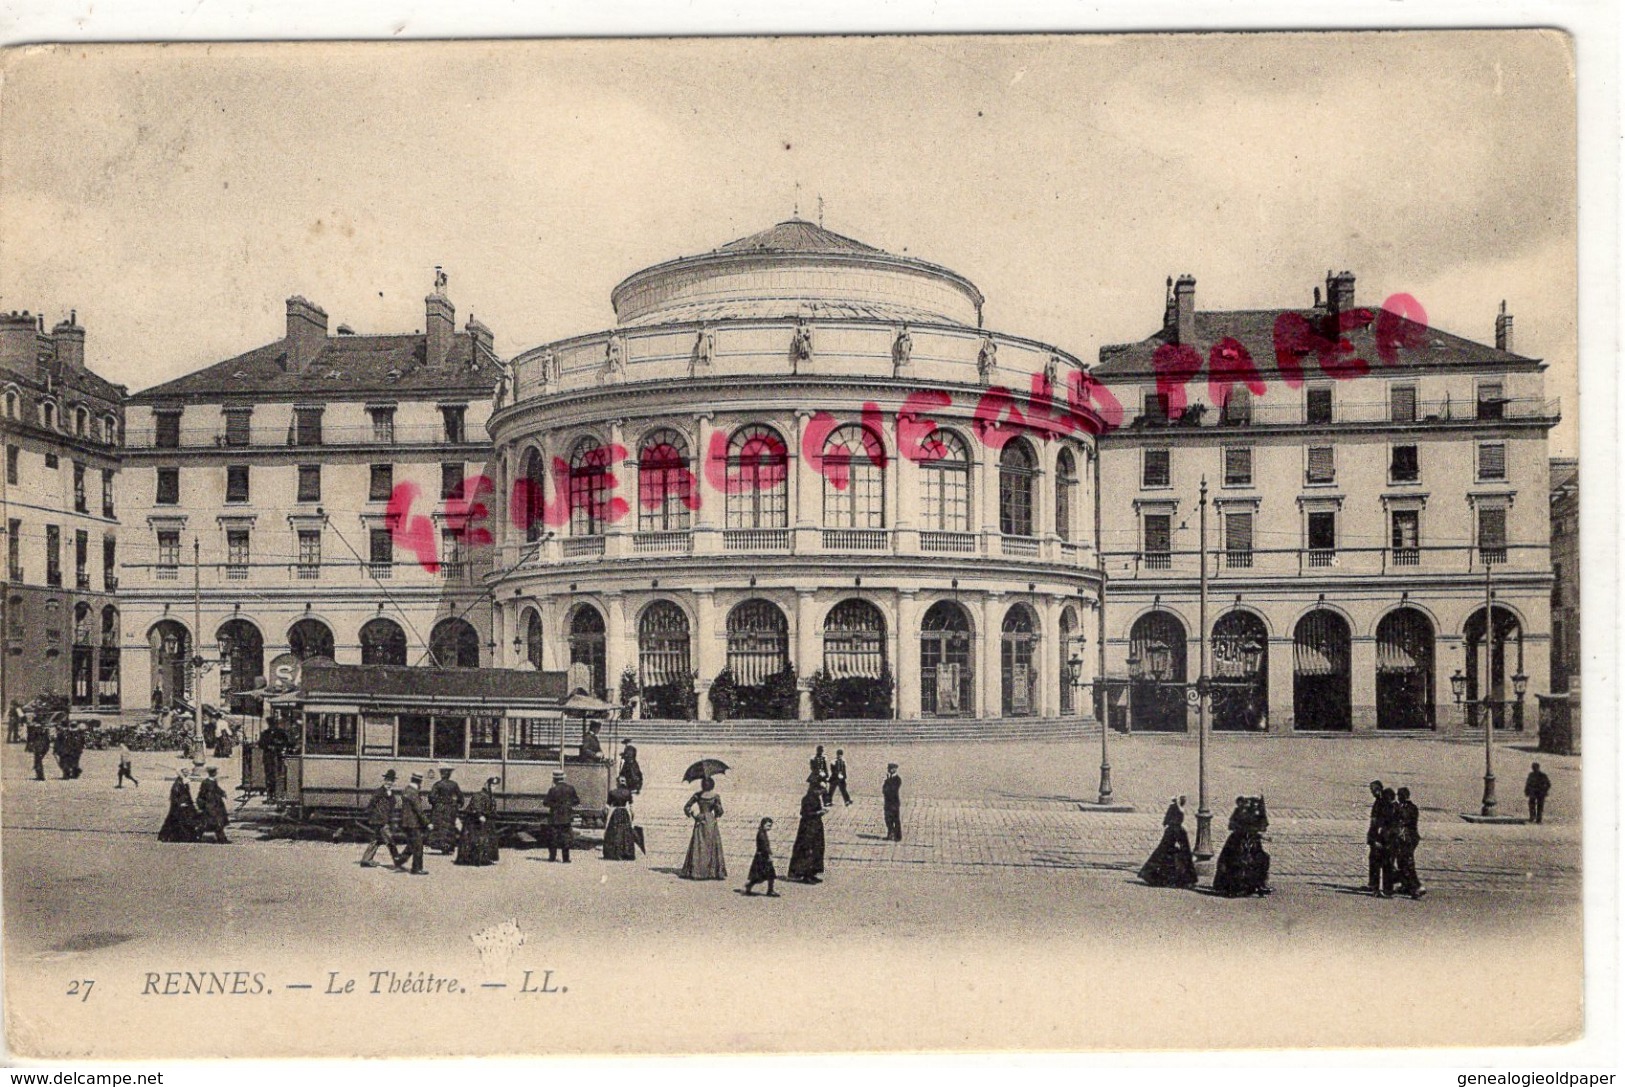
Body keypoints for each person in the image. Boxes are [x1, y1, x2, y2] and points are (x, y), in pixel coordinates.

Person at [1213, 796, 1271, 897]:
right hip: (1237, 841)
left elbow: (1262, 827)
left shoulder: (1254, 814)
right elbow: (1231, 825)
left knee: (1261, 859)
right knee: (1236, 861)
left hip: (1252, 841)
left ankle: (1259, 884)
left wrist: (1258, 827)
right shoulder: (1238, 812)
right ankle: (1234, 887)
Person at [1139, 796, 1198, 888]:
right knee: (1167, 853)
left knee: (1181, 855)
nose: (1184, 801)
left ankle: (1181, 879)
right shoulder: (1174, 807)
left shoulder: (1180, 808)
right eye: (1182, 799)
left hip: (1178, 832)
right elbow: (1167, 820)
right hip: (1173, 833)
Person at [679, 776, 726, 880]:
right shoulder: (715, 796)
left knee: (699, 846)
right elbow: (720, 812)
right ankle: (713, 872)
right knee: (712, 846)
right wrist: (716, 811)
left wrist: (693, 815)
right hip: (710, 821)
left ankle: (697, 872)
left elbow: (687, 807)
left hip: (700, 820)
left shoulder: (697, 795)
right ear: (712, 785)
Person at [360, 770, 405, 869]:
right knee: (390, 841)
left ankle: (366, 860)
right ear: (384, 780)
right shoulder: (379, 792)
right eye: (388, 780)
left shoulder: (390, 793)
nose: (389, 783)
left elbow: (391, 806)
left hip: (384, 820)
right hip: (379, 821)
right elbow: (371, 804)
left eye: (391, 781)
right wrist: (372, 816)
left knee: (376, 840)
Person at [788, 777, 829, 884]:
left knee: (817, 848)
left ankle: (812, 873)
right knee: (807, 850)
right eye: (820, 790)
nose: (821, 793)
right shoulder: (807, 799)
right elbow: (804, 813)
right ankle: (805, 874)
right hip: (808, 828)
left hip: (816, 826)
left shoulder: (815, 797)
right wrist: (818, 813)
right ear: (815, 789)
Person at [456, 777, 501, 866]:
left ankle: (486, 858)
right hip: (474, 821)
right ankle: (472, 859)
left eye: (495, 786)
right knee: (475, 839)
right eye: (492, 785)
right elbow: (476, 807)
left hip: (485, 820)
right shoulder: (479, 795)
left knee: (488, 838)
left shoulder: (491, 797)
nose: (494, 788)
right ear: (487, 785)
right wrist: (480, 815)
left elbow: (492, 809)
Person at [1392, 786, 1425, 899]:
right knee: (1402, 862)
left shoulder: (1408, 808)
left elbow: (1404, 820)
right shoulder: (1410, 807)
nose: (1398, 797)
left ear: (1403, 796)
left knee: (1407, 863)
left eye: (1399, 795)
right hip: (1408, 838)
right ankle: (1405, 885)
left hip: (1408, 839)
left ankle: (1415, 887)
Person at [543, 770, 580, 862]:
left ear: (555, 779)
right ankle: (566, 859)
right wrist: (568, 806)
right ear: (563, 778)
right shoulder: (570, 788)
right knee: (566, 837)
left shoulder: (552, 790)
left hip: (554, 817)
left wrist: (555, 805)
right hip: (566, 816)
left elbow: (545, 803)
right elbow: (577, 801)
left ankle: (552, 857)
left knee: (553, 837)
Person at [1366, 780, 1394, 895]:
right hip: (1381, 837)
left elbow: (1378, 823)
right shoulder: (1380, 801)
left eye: (1373, 790)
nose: (1372, 792)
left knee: (1380, 862)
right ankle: (1379, 887)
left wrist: (1375, 838)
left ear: (1378, 789)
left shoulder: (1382, 803)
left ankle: (1379, 888)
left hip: (1382, 837)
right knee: (1380, 862)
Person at [427, 767, 463, 854]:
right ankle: (448, 847)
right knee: (449, 828)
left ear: (441, 774)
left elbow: (431, 797)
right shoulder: (454, 784)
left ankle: (439, 846)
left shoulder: (437, 784)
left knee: (439, 827)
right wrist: (457, 804)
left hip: (439, 809)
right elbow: (460, 797)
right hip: (450, 809)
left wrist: (437, 803)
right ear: (449, 775)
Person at [400, 772, 430, 875]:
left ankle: (400, 860)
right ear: (419, 781)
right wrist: (427, 823)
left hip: (406, 822)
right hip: (413, 823)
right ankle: (417, 868)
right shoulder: (413, 793)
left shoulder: (406, 790)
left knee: (411, 844)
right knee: (418, 845)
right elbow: (419, 810)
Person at [158, 771, 202, 842]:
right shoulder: (177, 784)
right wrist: (180, 804)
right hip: (178, 807)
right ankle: (166, 837)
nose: (188, 774)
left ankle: (186, 837)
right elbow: (174, 796)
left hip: (185, 805)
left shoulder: (185, 783)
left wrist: (191, 803)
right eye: (186, 773)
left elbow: (188, 795)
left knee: (183, 821)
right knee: (174, 822)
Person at [602, 776, 638, 861]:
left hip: (616, 813)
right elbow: (631, 808)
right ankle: (626, 852)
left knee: (614, 832)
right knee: (625, 833)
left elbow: (606, 807)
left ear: (617, 783)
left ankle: (613, 853)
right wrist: (632, 818)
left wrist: (605, 818)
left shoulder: (612, 792)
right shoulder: (628, 793)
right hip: (624, 813)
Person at [196, 766, 231, 844]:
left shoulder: (213, 781)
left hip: (217, 804)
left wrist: (223, 793)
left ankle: (221, 838)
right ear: (212, 773)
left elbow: (217, 789)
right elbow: (202, 793)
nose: (216, 773)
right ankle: (197, 836)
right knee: (210, 822)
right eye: (215, 772)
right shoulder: (205, 782)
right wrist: (202, 804)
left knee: (216, 822)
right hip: (210, 805)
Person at [745, 817, 778, 896]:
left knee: (770, 875)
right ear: (763, 825)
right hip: (762, 858)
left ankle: (770, 890)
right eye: (768, 825)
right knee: (760, 876)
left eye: (770, 826)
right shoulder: (761, 834)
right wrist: (769, 855)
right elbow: (764, 847)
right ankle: (750, 886)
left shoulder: (763, 832)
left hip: (762, 857)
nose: (769, 827)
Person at [882, 763, 903, 842]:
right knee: (888, 819)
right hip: (887, 802)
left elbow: (893, 789)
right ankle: (890, 833)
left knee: (895, 819)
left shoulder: (897, 779)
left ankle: (898, 836)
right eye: (888, 768)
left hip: (894, 803)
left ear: (894, 769)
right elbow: (884, 790)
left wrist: (888, 781)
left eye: (890, 768)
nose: (888, 770)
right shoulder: (888, 779)